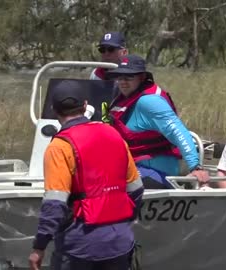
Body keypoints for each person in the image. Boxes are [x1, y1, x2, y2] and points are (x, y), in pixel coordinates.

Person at [28, 80, 144, 270]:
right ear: (85, 106)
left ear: (54, 109)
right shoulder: (114, 135)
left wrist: (38, 247)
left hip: (78, 248)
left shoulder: (59, 147)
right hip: (120, 243)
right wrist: (121, 223)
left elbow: (54, 206)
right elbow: (136, 190)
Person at [105, 54, 210, 189]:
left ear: (142, 77)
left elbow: (178, 131)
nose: (123, 82)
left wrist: (195, 166)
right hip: (131, 165)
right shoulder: (119, 100)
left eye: (129, 77)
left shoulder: (150, 102)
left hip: (155, 171)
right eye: (120, 77)